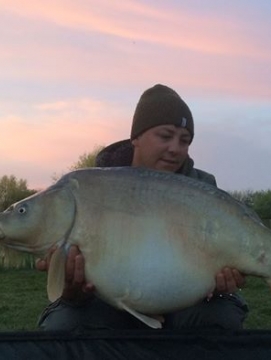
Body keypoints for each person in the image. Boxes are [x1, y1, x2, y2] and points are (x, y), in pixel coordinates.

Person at [37, 84, 249, 331]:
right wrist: (74, 290)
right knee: (62, 326)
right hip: (108, 299)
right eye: (165, 136)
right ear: (136, 137)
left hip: (185, 299)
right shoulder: (94, 188)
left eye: (185, 140)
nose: (175, 149)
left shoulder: (203, 190)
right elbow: (73, 289)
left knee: (221, 317)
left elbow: (226, 267)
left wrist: (225, 283)